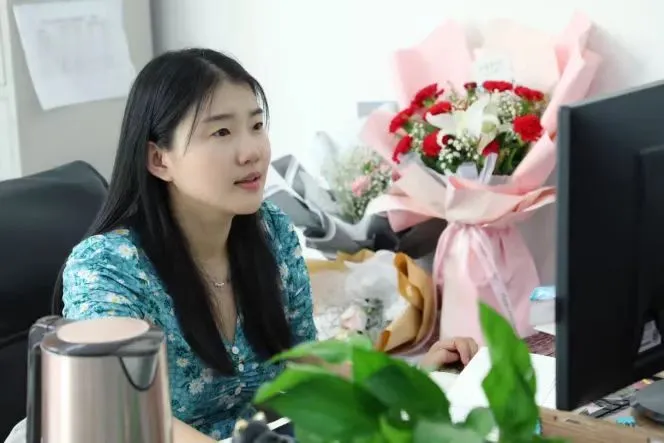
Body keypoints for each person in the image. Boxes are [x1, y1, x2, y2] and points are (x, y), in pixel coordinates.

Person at [50, 49, 479, 442]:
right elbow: (123, 417)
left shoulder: (269, 233)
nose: (251, 151)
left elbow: (307, 361)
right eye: (221, 132)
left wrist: (411, 380)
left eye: (256, 126)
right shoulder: (107, 267)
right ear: (159, 159)